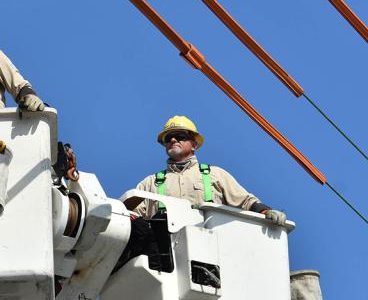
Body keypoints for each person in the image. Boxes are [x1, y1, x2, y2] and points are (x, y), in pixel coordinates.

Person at [121, 115, 287, 271]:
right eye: (168, 138)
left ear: (194, 144)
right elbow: (130, 217)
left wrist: (265, 211)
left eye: (180, 136)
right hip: (165, 259)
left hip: (209, 253)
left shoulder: (215, 174)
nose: (173, 140)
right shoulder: (151, 183)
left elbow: (246, 202)